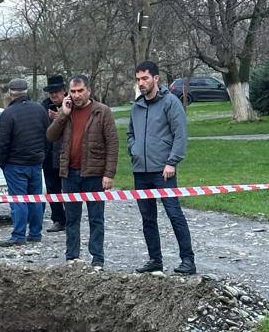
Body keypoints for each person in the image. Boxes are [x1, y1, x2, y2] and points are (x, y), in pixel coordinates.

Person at [128, 61, 196, 275]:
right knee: (147, 218)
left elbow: (180, 134)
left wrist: (172, 161)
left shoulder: (170, 102)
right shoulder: (136, 106)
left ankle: (188, 260)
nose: (141, 83)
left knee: (174, 214)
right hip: (141, 171)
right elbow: (131, 134)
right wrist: (134, 150)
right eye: (138, 79)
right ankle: (154, 259)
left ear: (156, 78)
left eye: (145, 78)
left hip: (163, 171)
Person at [45, 73, 118, 268]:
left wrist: (109, 174)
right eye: (73, 92)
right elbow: (51, 136)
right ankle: (72, 257)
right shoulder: (66, 112)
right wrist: (63, 114)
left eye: (80, 91)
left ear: (88, 91)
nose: (76, 95)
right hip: (69, 173)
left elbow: (112, 143)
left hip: (94, 173)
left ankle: (97, 258)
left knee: (96, 218)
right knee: (72, 218)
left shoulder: (102, 111)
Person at [0, 77, 48, 247]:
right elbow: (47, 135)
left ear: (11, 94)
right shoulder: (40, 110)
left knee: (18, 200)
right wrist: (41, 155)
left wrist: (2, 163)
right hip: (35, 162)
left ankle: (18, 235)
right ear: (27, 92)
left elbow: (2, 142)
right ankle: (35, 233)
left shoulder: (8, 114)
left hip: (15, 164)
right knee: (35, 198)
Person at [40, 74, 68, 232]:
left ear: (63, 91)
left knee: (69, 189)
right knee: (52, 190)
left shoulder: (72, 104)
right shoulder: (44, 107)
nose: (54, 95)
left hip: (67, 155)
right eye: (51, 92)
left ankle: (71, 218)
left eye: (57, 91)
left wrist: (61, 117)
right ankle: (58, 219)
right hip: (49, 155)